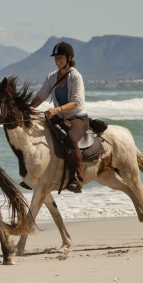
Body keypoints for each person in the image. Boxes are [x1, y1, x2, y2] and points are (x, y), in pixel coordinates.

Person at [29, 41, 88, 193]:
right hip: (59, 118)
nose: (57, 60)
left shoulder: (76, 77)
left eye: (60, 57)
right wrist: (30, 107)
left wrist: (56, 110)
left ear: (69, 57)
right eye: (56, 58)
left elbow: (76, 102)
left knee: (70, 139)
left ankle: (76, 177)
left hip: (77, 119)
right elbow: (42, 95)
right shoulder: (52, 77)